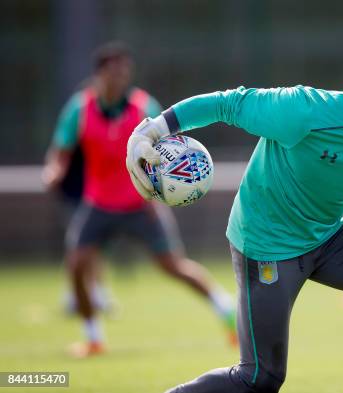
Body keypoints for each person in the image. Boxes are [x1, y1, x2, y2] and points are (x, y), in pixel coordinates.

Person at [126, 39, 343, 392]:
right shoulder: (305, 110)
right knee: (260, 378)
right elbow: (227, 104)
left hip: (329, 236)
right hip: (267, 246)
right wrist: (152, 130)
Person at [42, 41, 236, 357]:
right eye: (113, 71)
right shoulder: (79, 109)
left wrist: (163, 192)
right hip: (98, 203)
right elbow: (61, 151)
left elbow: (169, 153)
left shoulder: (143, 107)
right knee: (77, 264)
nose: (120, 78)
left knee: (173, 265)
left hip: (141, 205)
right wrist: (54, 170)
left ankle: (225, 308)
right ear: (99, 75)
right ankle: (93, 337)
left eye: (124, 71)